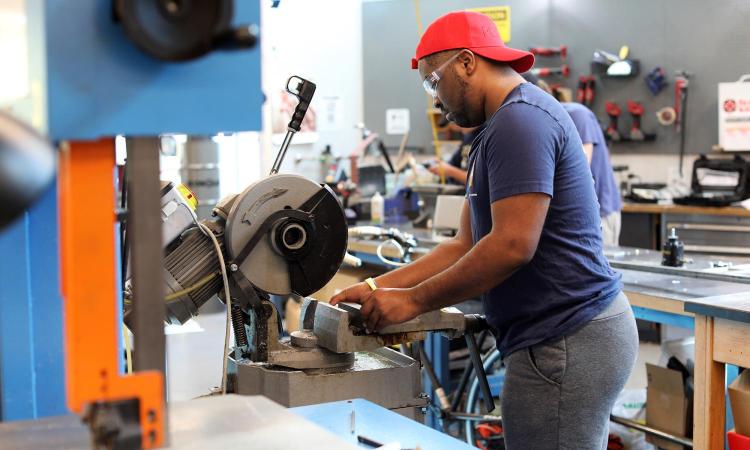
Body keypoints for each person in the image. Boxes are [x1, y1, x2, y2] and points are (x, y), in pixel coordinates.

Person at [331, 11, 637, 450]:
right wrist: (380, 285)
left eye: (433, 82)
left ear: (467, 62)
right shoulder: (494, 130)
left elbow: (513, 245)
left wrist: (412, 302)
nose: (435, 99)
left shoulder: (520, 121)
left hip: (566, 338)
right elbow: (466, 244)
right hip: (554, 336)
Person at [524, 73, 623, 246]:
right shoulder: (543, 125)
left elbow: (580, 168)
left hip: (599, 213)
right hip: (569, 216)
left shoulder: (577, 114)